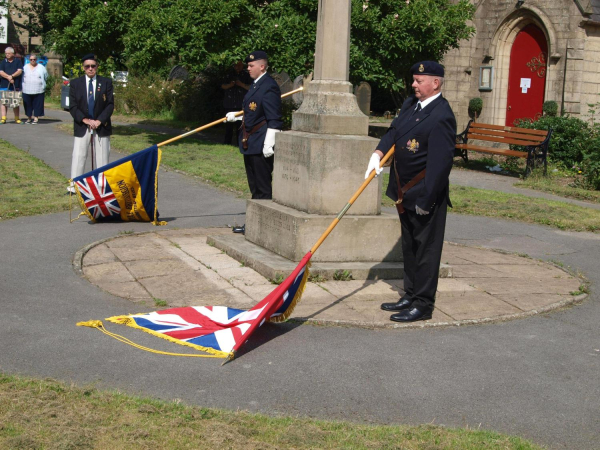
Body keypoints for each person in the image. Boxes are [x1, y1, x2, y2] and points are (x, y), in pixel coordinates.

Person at [364, 61, 456, 323]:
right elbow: (394, 132)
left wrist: (428, 198)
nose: (413, 85)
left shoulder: (442, 114)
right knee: (410, 246)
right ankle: (411, 293)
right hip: (404, 192)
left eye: (419, 81)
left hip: (426, 194)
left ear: (435, 83)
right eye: (414, 80)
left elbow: (440, 164)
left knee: (426, 250)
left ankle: (423, 304)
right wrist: (378, 153)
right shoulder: (410, 105)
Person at [225, 50, 282, 234]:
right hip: (250, 142)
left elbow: (274, 118)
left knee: (263, 187)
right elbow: (253, 111)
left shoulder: (269, 86)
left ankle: (264, 227)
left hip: (261, 144)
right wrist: (236, 116)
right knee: (254, 186)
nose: (248, 69)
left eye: (251, 66)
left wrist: (269, 143)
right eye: (248, 66)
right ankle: (254, 224)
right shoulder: (256, 85)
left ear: (262, 66)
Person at [68, 53, 114, 193]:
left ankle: (102, 186)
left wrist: (99, 121)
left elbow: (110, 105)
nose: (90, 69)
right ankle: (74, 186)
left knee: (102, 156)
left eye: (93, 66)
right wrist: (85, 120)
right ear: (83, 68)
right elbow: (73, 106)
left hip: (101, 125)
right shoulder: (76, 83)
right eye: (87, 66)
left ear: (97, 67)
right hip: (83, 125)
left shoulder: (106, 82)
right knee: (79, 155)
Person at [221, 60, 251, 146]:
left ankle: (239, 143)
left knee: (240, 126)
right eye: (236, 65)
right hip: (229, 103)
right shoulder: (229, 74)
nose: (237, 67)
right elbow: (222, 85)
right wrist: (230, 85)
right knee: (228, 125)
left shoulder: (246, 75)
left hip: (240, 104)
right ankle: (227, 143)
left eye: (239, 65)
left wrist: (241, 84)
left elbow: (250, 87)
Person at [22, 54, 48, 124]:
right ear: (29, 60)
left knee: (37, 104)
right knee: (27, 104)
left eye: (34, 59)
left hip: (38, 89)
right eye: (31, 59)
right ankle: (29, 118)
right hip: (26, 89)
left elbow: (46, 76)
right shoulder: (25, 67)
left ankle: (36, 118)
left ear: (36, 60)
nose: (33, 61)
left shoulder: (41, 67)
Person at [0, 47, 24, 124]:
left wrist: (12, 76)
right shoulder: (3, 62)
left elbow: (19, 71)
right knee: (4, 102)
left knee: (15, 102)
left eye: (9, 53)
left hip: (15, 85)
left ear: (13, 54)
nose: (7, 55)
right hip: (4, 85)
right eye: (6, 53)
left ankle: (17, 118)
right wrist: (9, 77)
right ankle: (3, 118)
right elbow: (1, 72)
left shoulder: (18, 61)